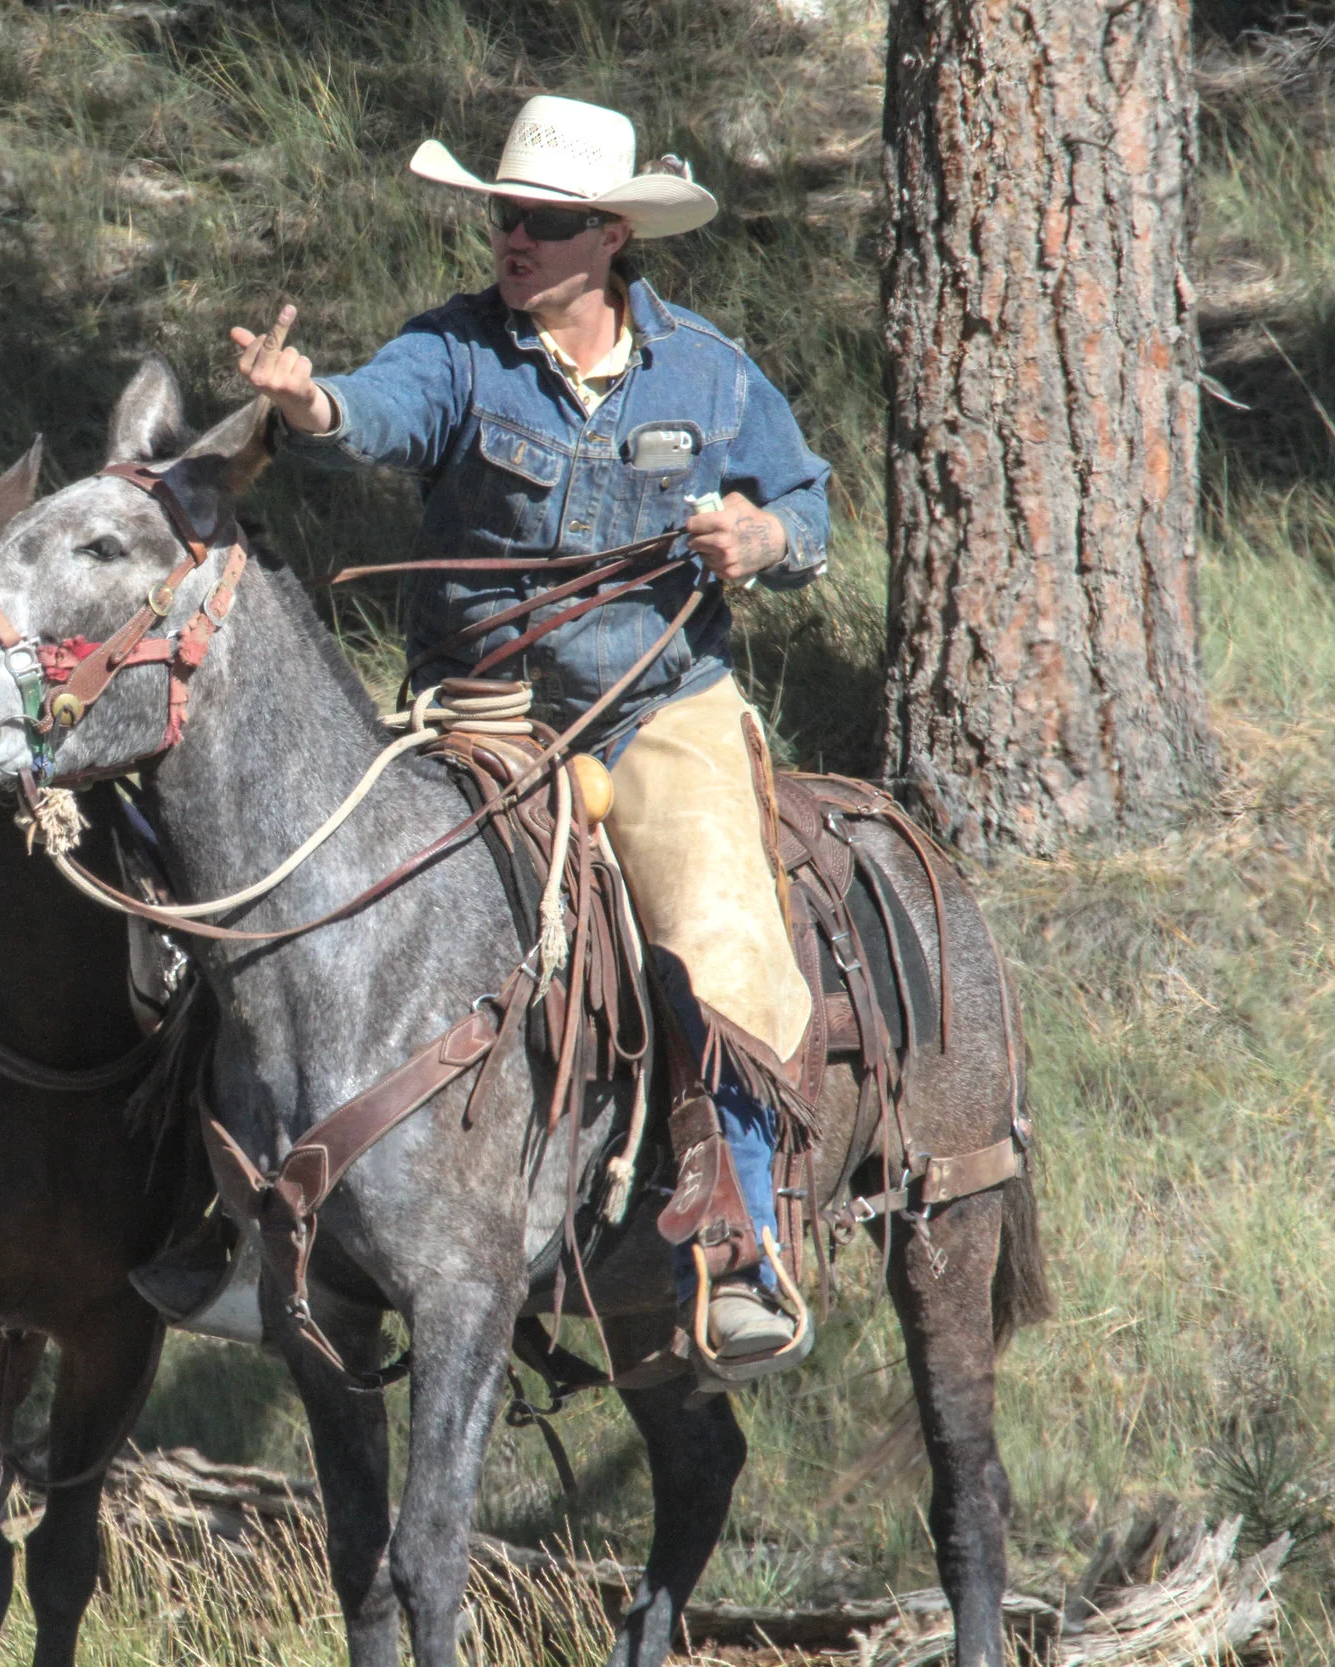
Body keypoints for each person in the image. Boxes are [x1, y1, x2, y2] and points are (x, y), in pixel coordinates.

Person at [233, 95, 831, 1376]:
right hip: (479, 711)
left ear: (611, 236)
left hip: (656, 702)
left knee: (718, 932)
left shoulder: (713, 372)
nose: (515, 237)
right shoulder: (454, 353)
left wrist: (763, 538)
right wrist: (310, 404)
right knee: (290, 896)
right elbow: (376, 413)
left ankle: (737, 1232)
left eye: (546, 222)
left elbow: (806, 509)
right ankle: (237, 1210)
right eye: (505, 215)